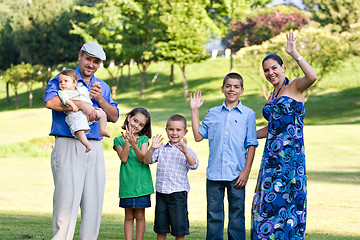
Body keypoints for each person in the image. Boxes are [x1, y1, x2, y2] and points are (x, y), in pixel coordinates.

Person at [44, 42, 119, 240]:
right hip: (68, 143)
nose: (91, 64)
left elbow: (114, 116)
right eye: (88, 59)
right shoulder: (64, 78)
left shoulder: (102, 86)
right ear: (80, 56)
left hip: (94, 145)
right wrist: (81, 104)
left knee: (93, 203)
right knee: (66, 202)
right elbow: (50, 102)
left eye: (96, 62)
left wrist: (100, 100)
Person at [250, 31, 318, 240]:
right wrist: (245, 135)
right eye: (266, 70)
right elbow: (271, 129)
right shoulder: (273, 96)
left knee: (287, 203)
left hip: (290, 159)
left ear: (283, 68)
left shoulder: (294, 87)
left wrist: (294, 53)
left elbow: (312, 77)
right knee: (267, 203)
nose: (270, 73)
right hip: (271, 158)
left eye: (274, 68)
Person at [190, 72, 258, 240]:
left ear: (242, 90)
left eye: (236, 87)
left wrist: (246, 171)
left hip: (237, 175)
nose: (231, 89)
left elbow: (251, 144)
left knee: (237, 217)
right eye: (228, 86)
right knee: (214, 217)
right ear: (222, 89)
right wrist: (194, 110)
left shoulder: (248, 114)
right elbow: (198, 136)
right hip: (214, 174)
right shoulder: (213, 113)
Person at [143, 114, 199, 240]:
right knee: (161, 229)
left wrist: (185, 152)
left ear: (185, 132)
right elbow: (147, 161)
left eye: (178, 130)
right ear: (166, 130)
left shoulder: (187, 150)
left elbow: (194, 165)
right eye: (171, 129)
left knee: (179, 231)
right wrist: (152, 148)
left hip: (178, 195)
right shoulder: (161, 148)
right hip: (162, 193)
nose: (174, 133)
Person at [113, 107, 154, 240]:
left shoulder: (143, 140)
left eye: (141, 124)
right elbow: (124, 158)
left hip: (142, 184)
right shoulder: (118, 140)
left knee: (140, 216)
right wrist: (127, 142)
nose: (136, 125)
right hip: (127, 184)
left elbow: (142, 158)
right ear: (129, 117)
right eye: (135, 120)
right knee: (129, 216)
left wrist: (134, 144)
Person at [58, 69, 110, 153]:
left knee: (102, 113)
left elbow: (87, 97)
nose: (62, 83)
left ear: (74, 82)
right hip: (76, 115)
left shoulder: (81, 88)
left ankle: (102, 130)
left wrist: (93, 93)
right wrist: (73, 105)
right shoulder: (63, 92)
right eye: (60, 82)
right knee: (79, 130)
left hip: (89, 113)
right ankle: (86, 144)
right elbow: (66, 100)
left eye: (65, 81)